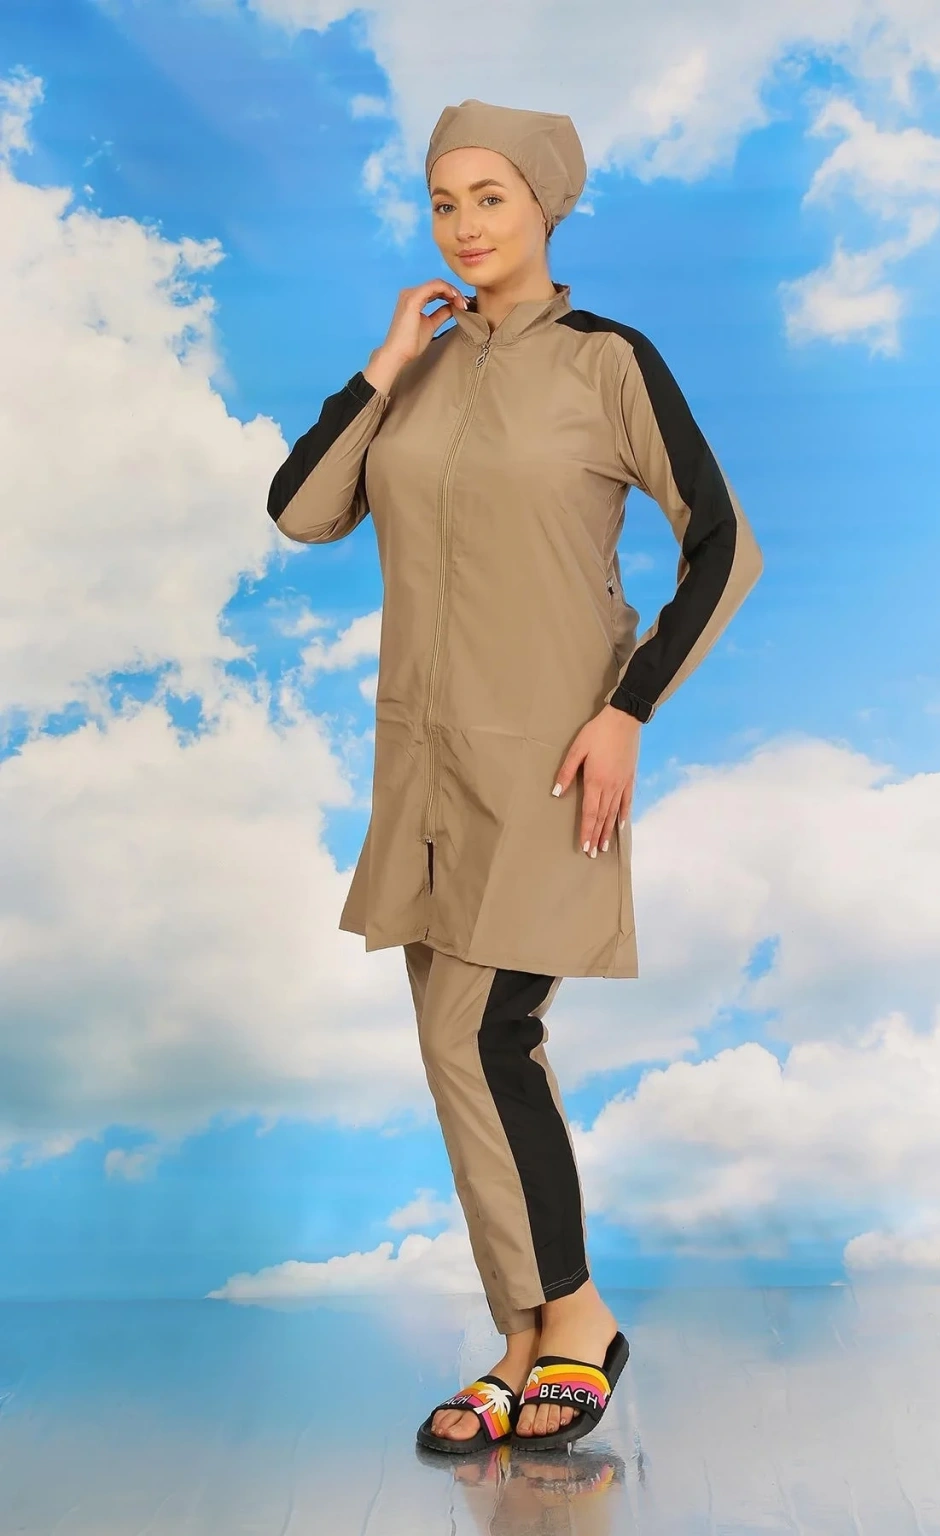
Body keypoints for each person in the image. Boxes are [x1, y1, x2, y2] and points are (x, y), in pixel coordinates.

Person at [266, 98, 763, 1452]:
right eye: (443, 202)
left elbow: (723, 546)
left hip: (549, 761)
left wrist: (629, 710)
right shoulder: (420, 370)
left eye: (490, 197)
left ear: (548, 204)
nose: (464, 226)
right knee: (469, 1052)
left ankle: (576, 1315)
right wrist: (381, 369)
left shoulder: (610, 362)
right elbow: (303, 511)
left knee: (476, 1036)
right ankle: (524, 1339)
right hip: (422, 763)